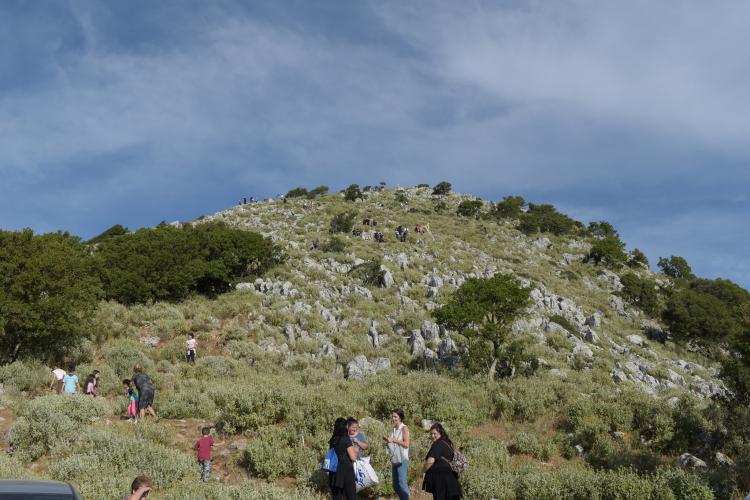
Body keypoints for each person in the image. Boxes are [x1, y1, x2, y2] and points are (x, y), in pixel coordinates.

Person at [422, 423, 462, 500]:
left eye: (435, 433)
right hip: (452, 481)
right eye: (431, 434)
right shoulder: (447, 443)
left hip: (441, 482)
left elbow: (430, 461)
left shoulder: (437, 444)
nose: (432, 436)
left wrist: (423, 471)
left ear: (440, 433)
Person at [328, 417, 357, 500]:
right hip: (346, 473)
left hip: (334, 473)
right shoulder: (345, 439)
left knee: (336, 497)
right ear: (344, 427)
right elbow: (353, 458)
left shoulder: (333, 440)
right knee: (351, 497)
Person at [384, 409, 410, 500]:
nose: (393, 418)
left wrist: (394, 440)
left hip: (402, 459)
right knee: (395, 485)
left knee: (402, 484)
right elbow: (392, 441)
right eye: (392, 416)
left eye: (395, 416)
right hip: (395, 458)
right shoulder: (394, 428)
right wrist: (387, 438)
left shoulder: (404, 428)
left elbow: (406, 444)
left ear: (400, 418)